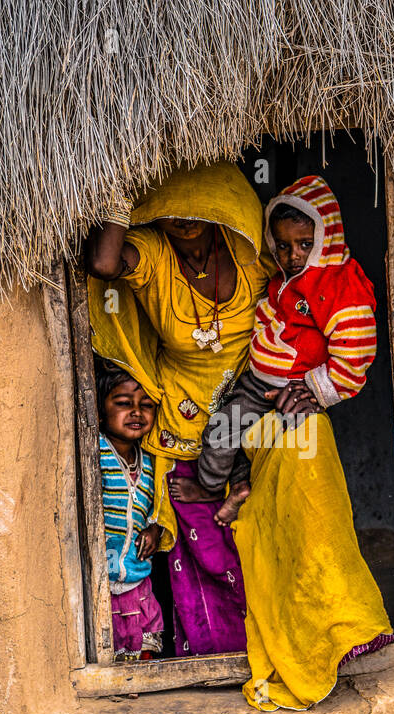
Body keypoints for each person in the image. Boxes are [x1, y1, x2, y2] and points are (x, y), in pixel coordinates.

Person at [84, 163, 272, 656]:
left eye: (197, 208)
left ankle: (271, 649)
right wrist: (120, 194)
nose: (185, 220)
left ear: (221, 207)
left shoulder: (251, 255)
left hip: (252, 417)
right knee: (203, 559)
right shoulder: (152, 254)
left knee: (258, 546)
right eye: (172, 210)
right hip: (179, 427)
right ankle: (214, 659)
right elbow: (103, 265)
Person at [197, 175, 379, 526]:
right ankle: (218, 489)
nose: (292, 255)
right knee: (223, 430)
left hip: (298, 392)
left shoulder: (340, 286)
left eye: (304, 244)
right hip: (257, 385)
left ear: (327, 238)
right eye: (282, 245)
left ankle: (292, 526)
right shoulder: (283, 279)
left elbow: (355, 350)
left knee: (295, 463)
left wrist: (314, 390)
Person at [96, 363, 163, 662]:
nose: (137, 412)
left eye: (146, 405)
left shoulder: (150, 460)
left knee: (142, 638)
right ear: (99, 411)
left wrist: (154, 528)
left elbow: (155, 507)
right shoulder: (94, 450)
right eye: (124, 404)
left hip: (137, 576)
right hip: (100, 579)